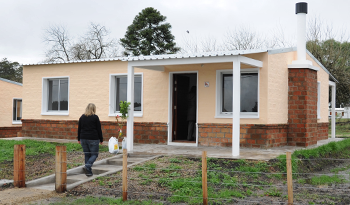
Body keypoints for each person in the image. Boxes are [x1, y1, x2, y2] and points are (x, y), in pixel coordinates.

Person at [77, 103, 103, 177]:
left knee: (87, 154)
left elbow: (79, 129)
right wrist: (101, 139)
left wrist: (79, 138)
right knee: (94, 154)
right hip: (93, 138)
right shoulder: (95, 117)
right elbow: (99, 129)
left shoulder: (82, 117)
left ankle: (88, 172)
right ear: (93, 109)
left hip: (83, 138)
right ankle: (87, 167)